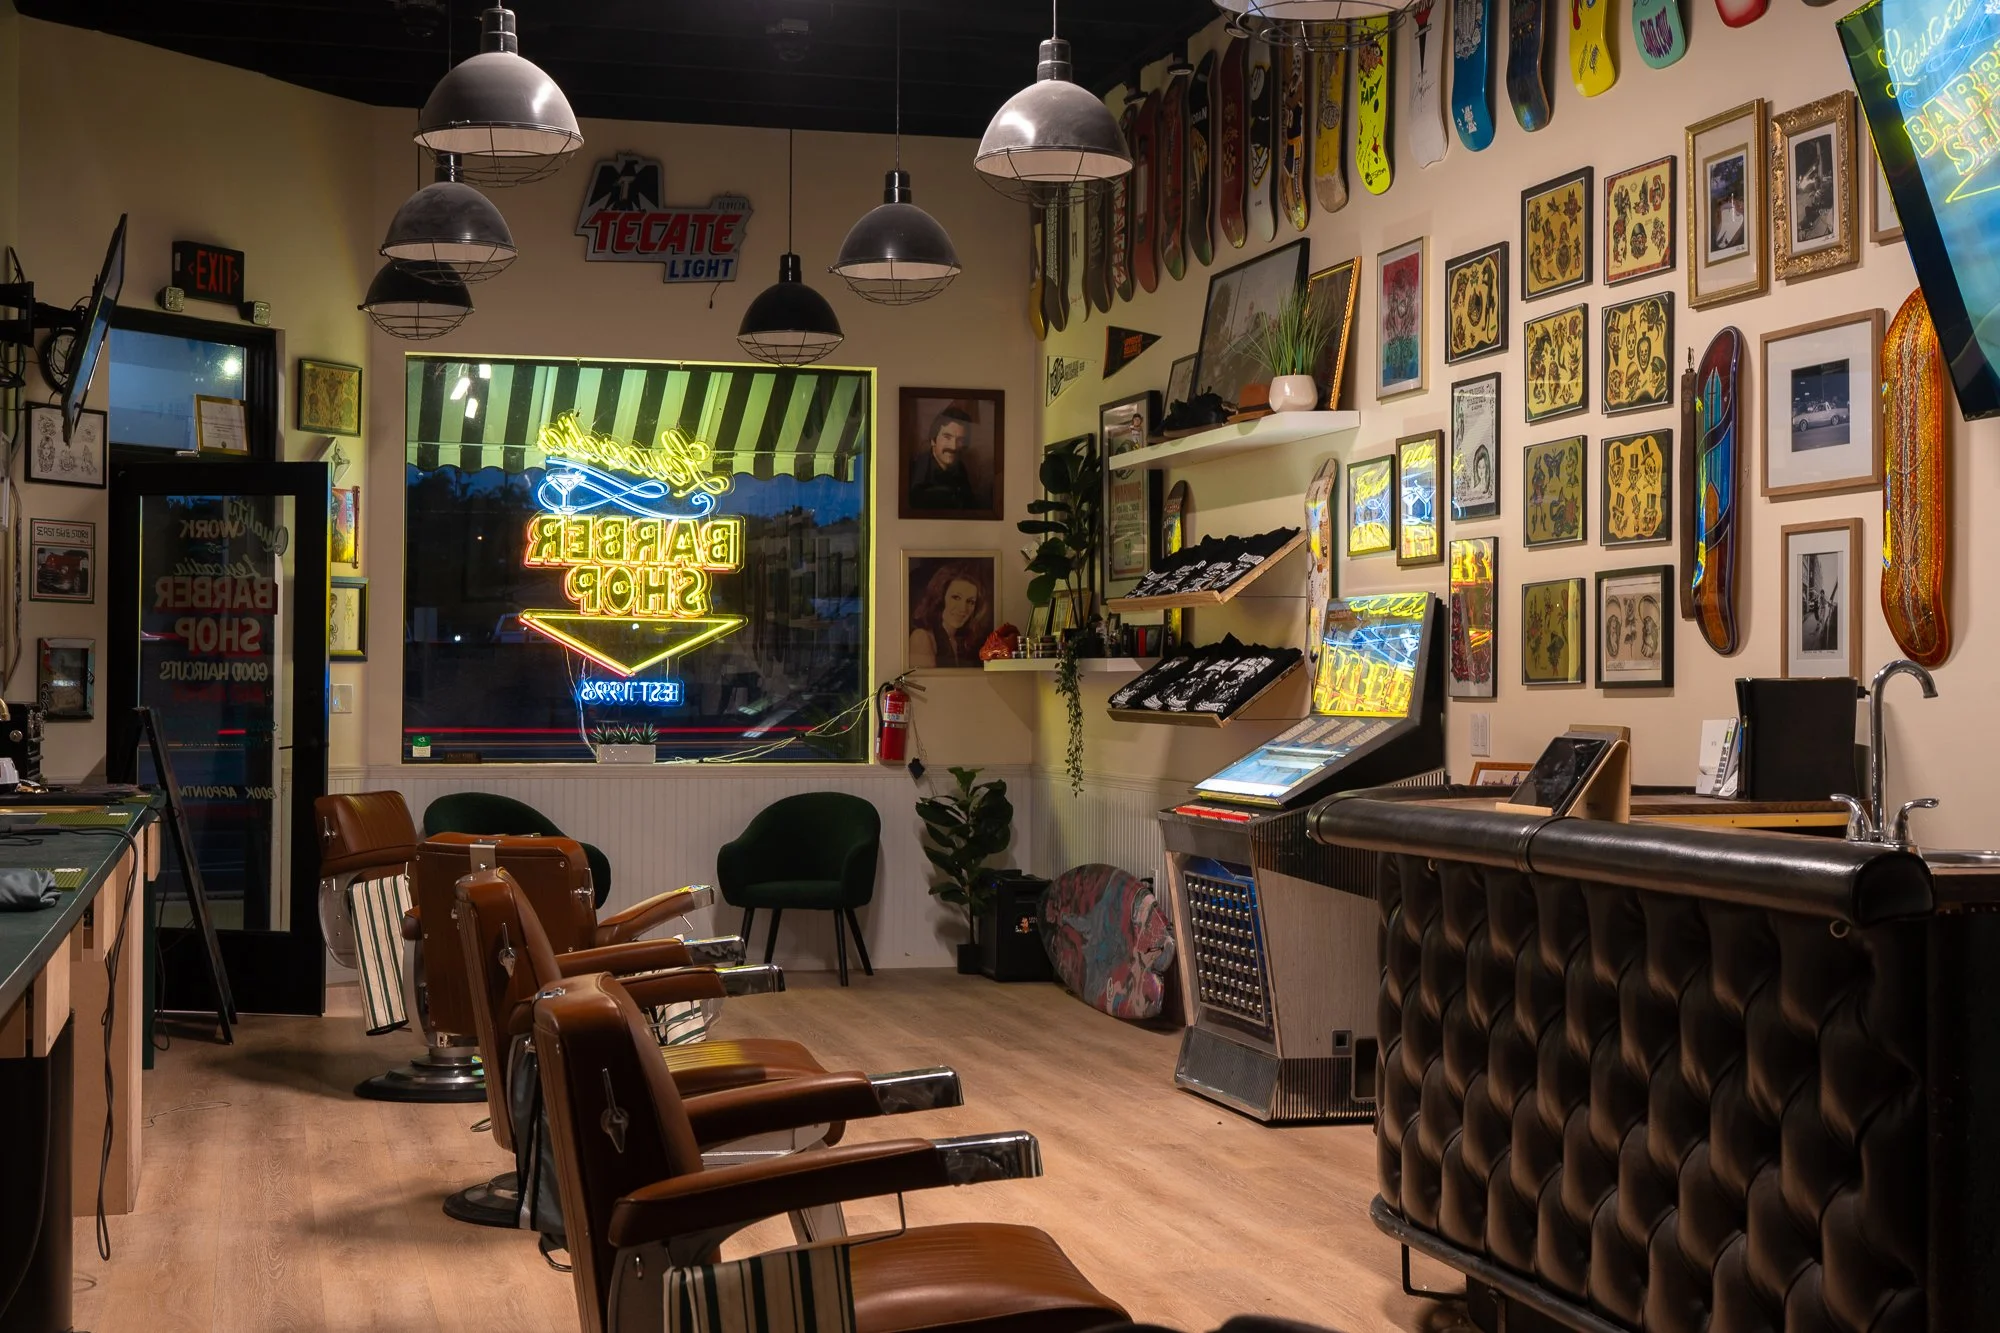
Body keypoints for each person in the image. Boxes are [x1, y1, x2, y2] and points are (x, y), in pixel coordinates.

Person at [908, 562, 989, 669]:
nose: (963, 609)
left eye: (970, 602)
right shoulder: (922, 638)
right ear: (940, 598)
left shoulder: (964, 642)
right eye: (956, 597)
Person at [907, 407, 981, 511]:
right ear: (933, 440)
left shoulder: (960, 468)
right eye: (947, 437)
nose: (953, 446)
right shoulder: (916, 472)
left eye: (960, 440)